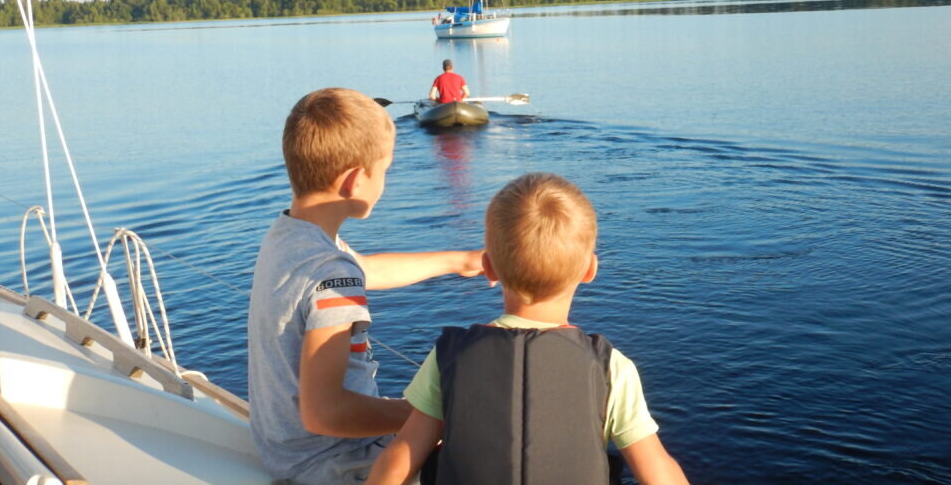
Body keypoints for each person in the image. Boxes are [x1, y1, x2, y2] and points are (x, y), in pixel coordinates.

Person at [366, 172, 691, 485]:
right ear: (590, 270)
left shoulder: (449, 357)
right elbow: (657, 471)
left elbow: (402, 456)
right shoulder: (611, 368)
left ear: (489, 266)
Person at [248, 88, 484, 485]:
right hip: (336, 462)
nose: (385, 182)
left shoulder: (293, 236)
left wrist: (460, 261)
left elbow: (365, 270)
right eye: (385, 170)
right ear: (356, 180)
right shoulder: (330, 275)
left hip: (289, 452)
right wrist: (429, 416)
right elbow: (323, 413)